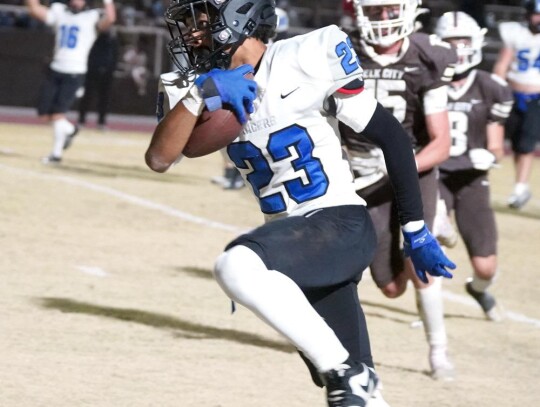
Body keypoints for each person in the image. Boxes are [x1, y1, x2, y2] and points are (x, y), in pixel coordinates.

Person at [146, 1, 455, 406]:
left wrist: (414, 227)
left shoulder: (305, 56)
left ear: (237, 14)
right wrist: (201, 93)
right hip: (297, 244)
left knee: (235, 265)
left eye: (197, 19)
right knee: (358, 396)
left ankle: (345, 372)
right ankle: (351, 375)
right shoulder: (199, 84)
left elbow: (392, 136)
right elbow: (160, 158)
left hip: (339, 221)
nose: (190, 32)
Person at [340, 0, 458, 380]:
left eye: (393, 10)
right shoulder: (340, 50)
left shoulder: (426, 54)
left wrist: (398, 164)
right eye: (377, 11)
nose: (386, 19)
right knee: (390, 287)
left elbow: (441, 143)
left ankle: (438, 352)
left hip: (412, 167)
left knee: (419, 261)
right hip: (362, 174)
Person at [435, 11, 514, 321]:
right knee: (430, 239)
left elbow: (496, 144)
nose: (458, 48)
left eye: (463, 41)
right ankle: (428, 305)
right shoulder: (430, 81)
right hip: (436, 174)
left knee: (486, 266)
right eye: (450, 41)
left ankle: (478, 290)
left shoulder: (490, 86)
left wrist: (492, 156)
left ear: (476, 42)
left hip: (471, 177)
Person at [25, 0, 116, 164]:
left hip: (75, 72)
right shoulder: (60, 10)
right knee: (44, 114)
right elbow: (34, 10)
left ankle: (56, 154)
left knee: (58, 114)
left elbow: (109, 19)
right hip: (55, 68)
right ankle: (70, 129)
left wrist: (108, 2)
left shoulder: (92, 16)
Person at [492, 0, 540, 209]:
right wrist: (496, 90)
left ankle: (520, 187)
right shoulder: (516, 33)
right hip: (512, 94)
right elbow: (503, 64)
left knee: (526, 145)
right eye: (536, 14)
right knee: (504, 138)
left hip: (535, 98)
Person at [78, 28, 118, 131]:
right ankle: (81, 120)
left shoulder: (113, 39)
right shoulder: (93, 37)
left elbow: (115, 56)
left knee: (104, 98)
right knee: (87, 96)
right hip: (93, 71)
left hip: (107, 73)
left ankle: (101, 122)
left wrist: (110, 69)